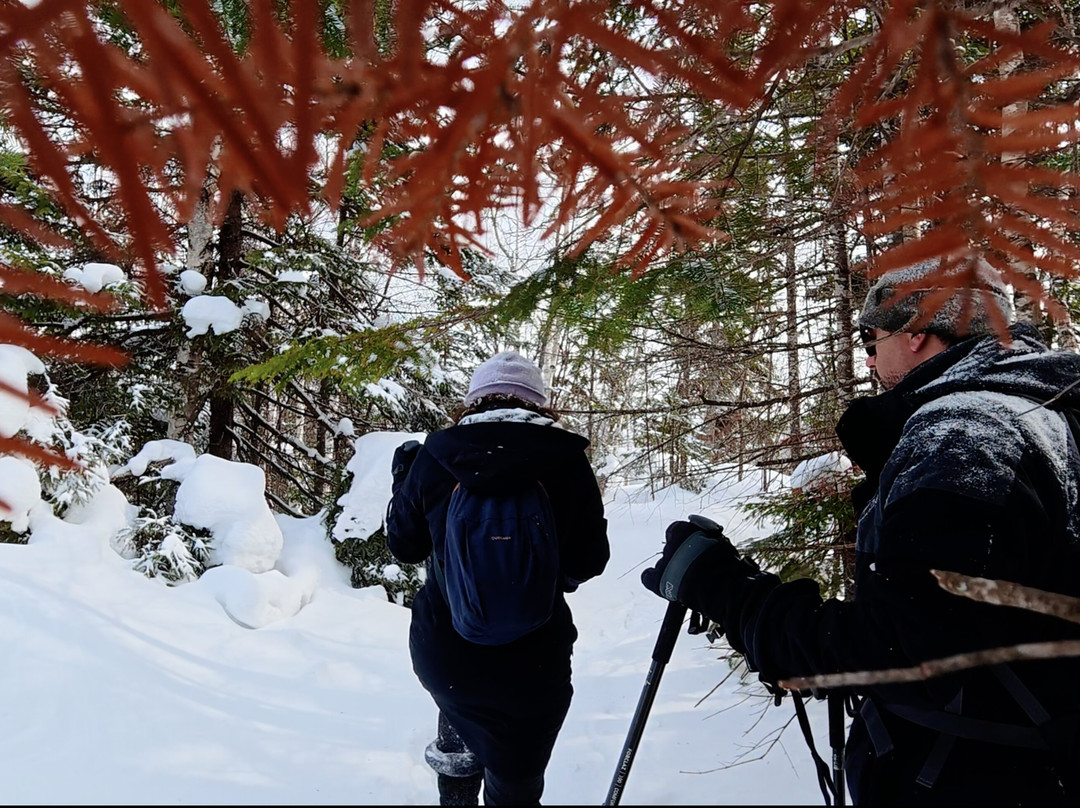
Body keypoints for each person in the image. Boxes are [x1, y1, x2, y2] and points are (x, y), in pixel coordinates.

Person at [641, 258, 1080, 805]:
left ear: (917, 332)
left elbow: (896, 648)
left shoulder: (963, 439)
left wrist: (726, 591)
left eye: (871, 341)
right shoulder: (1044, 411)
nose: (868, 359)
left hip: (976, 772)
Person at [386, 350, 610, 806]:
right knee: (516, 783)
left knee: (460, 732)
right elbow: (589, 561)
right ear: (540, 404)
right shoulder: (566, 463)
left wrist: (404, 487)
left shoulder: (435, 458)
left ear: (474, 402)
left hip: (446, 653)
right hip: (534, 663)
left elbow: (405, 547)